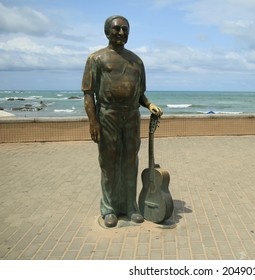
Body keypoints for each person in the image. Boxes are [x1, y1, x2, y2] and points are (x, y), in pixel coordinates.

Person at [82, 15, 163, 228]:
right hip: (107, 115)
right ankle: (109, 208)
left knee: (130, 162)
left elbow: (140, 94)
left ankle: (130, 206)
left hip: (131, 117)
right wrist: (93, 122)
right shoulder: (96, 59)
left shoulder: (137, 61)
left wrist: (149, 104)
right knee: (108, 164)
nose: (121, 33)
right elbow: (89, 94)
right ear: (107, 31)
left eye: (124, 29)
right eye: (116, 29)